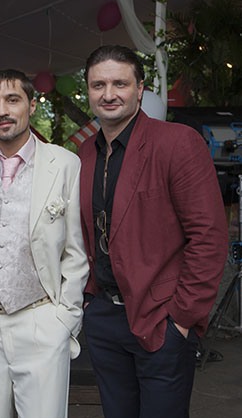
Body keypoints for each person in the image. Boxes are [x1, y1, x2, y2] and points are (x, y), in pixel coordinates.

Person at [78, 44, 228, 418]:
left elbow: (208, 236)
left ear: (140, 88)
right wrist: (88, 303)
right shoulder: (85, 154)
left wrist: (182, 318)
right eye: (98, 85)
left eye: (120, 83)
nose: (109, 94)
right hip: (104, 318)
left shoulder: (177, 142)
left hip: (161, 317)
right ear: (89, 91)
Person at [0, 69, 89, 418]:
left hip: (40, 318)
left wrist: (65, 319)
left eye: (12, 100)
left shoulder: (64, 163)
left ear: (32, 104)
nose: (2, 111)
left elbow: (76, 250)